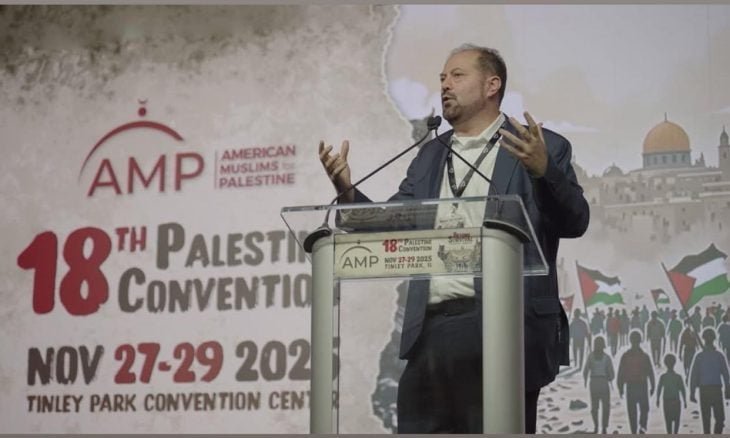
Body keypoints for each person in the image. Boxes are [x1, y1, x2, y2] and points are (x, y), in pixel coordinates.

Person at [318, 43, 590, 433]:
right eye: (442, 78)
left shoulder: (540, 146)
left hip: (505, 327)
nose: (445, 84)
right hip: (431, 334)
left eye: (457, 75)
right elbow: (392, 223)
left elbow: (575, 221)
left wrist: (543, 170)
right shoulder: (430, 155)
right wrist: (346, 191)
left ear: (492, 85)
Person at [689, 328, 730, 434]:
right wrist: (727, 389)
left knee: (706, 420)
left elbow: (693, 375)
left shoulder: (700, 356)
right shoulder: (719, 355)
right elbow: (726, 375)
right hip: (715, 389)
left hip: (705, 390)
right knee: (719, 419)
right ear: (714, 338)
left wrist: (692, 392)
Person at [617, 330, 655, 434]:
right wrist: (653, 385)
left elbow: (621, 373)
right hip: (641, 385)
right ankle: (642, 426)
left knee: (632, 410)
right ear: (640, 340)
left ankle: (634, 430)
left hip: (631, 386)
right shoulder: (644, 356)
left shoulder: (626, 356)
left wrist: (620, 387)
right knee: (644, 408)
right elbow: (650, 372)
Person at [583, 336, 614, 434]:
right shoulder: (607, 358)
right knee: (606, 406)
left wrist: (585, 381)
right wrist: (610, 378)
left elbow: (585, 370)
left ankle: (596, 425)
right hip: (604, 383)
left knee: (594, 407)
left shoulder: (590, 356)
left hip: (593, 382)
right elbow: (612, 374)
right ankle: (604, 427)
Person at [656, 353, 686, 434]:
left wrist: (657, 399)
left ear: (665, 363)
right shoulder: (678, 377)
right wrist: (685, 400)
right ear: (674, 363)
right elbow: (682, 389)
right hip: (676, 401)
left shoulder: (663, 377)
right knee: (677, 420)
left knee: (668, 421)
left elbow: (659, 389)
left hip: (667, 401)